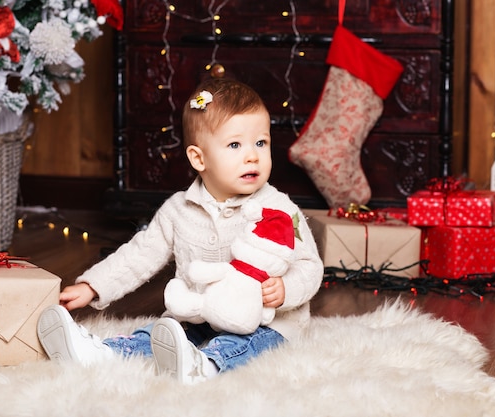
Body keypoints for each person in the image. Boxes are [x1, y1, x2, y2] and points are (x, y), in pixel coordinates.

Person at [37, 77, 324, 384]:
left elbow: (310, 266)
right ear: (198, 158)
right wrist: (93, 286)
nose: (252, 155)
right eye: (235, 145)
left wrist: (285, 289)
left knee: (247, 344)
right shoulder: (178, 209)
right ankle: (105, 353)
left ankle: (206, 366)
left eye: (261, 142)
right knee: (161, 334)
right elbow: (139, 255)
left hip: (266, 322)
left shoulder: (279, 209)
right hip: (199, 313)